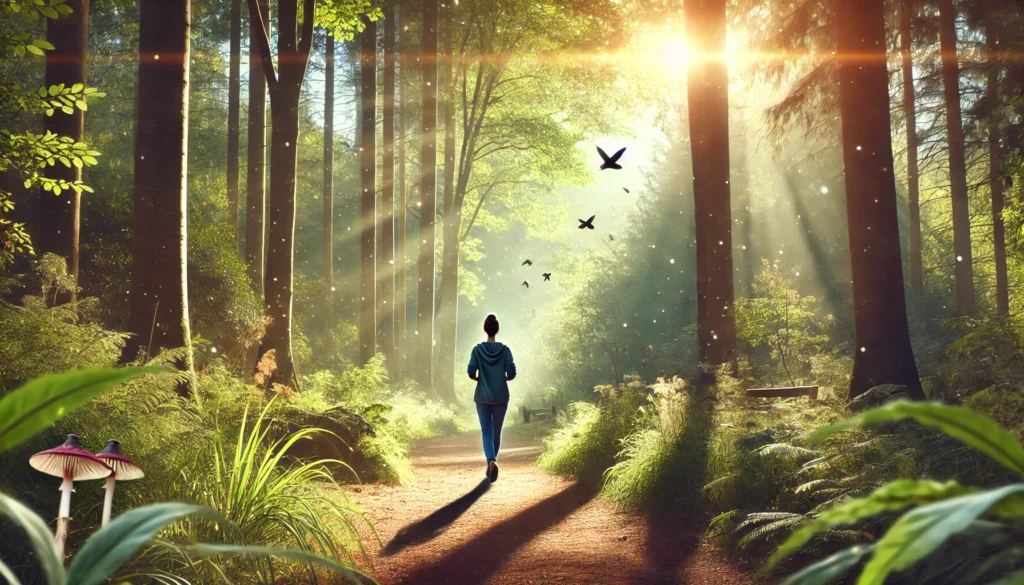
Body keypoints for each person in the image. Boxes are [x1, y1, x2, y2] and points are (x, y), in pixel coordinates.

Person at [467, 313, 516, 483]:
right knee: (496, 431)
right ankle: (492, 462)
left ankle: (491, 461)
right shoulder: (505, 350)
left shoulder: (477, 350)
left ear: (485, 329)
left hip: (482, 397)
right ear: (497, 330)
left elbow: (471, 372)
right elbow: (512, 373)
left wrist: (479, 379)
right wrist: (504, 379)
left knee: (486, 432)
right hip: (501, 397)